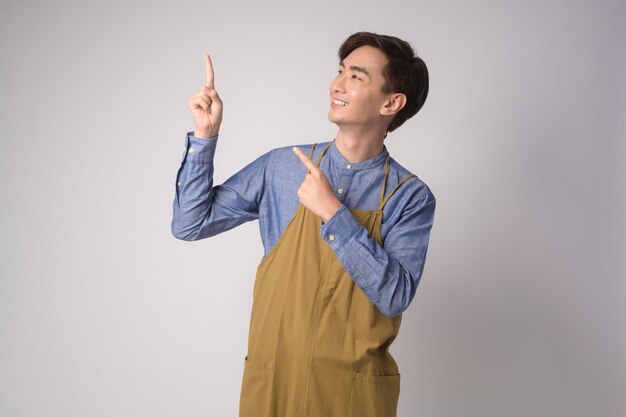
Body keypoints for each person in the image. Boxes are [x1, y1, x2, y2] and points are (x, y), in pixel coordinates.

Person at [172, 31, 436, 417]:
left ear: (392, 102)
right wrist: (204, 137)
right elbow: (190, 223)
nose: (337, 84)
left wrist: (332, 212)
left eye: (356, 76)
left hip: (351, 398)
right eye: (340, 71)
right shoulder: (282, 166)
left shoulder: (409, 196)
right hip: (274, 386)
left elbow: (395, 296)